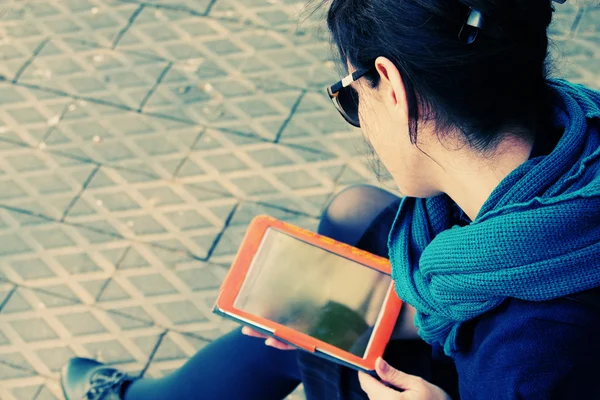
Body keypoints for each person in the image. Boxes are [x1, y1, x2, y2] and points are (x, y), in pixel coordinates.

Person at [60, 0, 600, 398]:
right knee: (346, 244)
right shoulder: (574, 141)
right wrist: (412, 312)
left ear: (392, 86)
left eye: (349, 94)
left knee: (329, 309)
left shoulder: (530, 360)